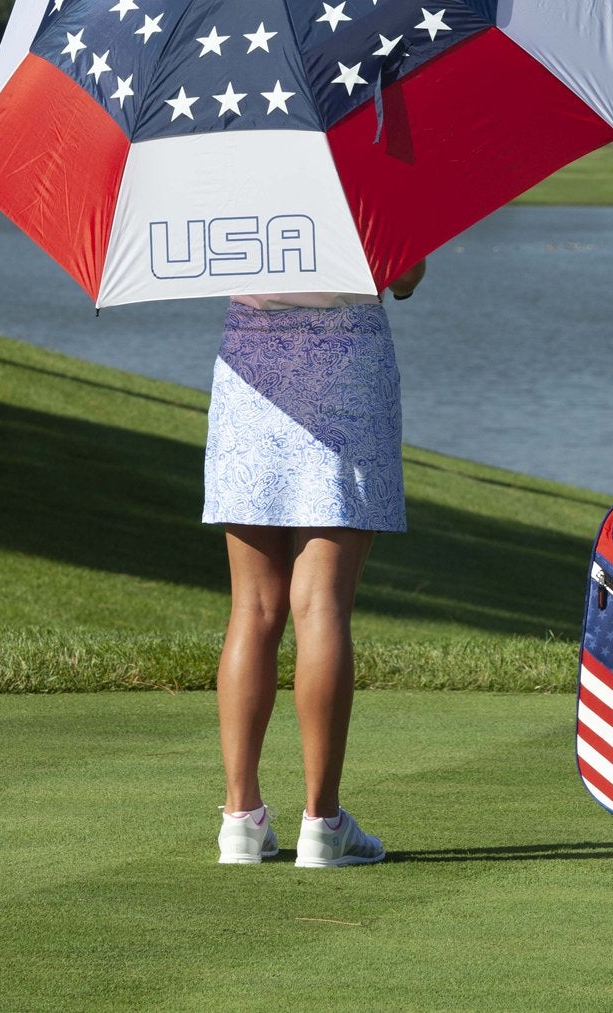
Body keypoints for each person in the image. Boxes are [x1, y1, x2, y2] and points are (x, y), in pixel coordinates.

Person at [203, 259, 427, 868]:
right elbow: (404, 275)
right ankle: (322, 825)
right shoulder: (369, 164)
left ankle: (240, 822)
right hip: (348, 353)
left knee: (253, 605)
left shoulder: (229, 165)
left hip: (250, 358)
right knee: (320, 601)